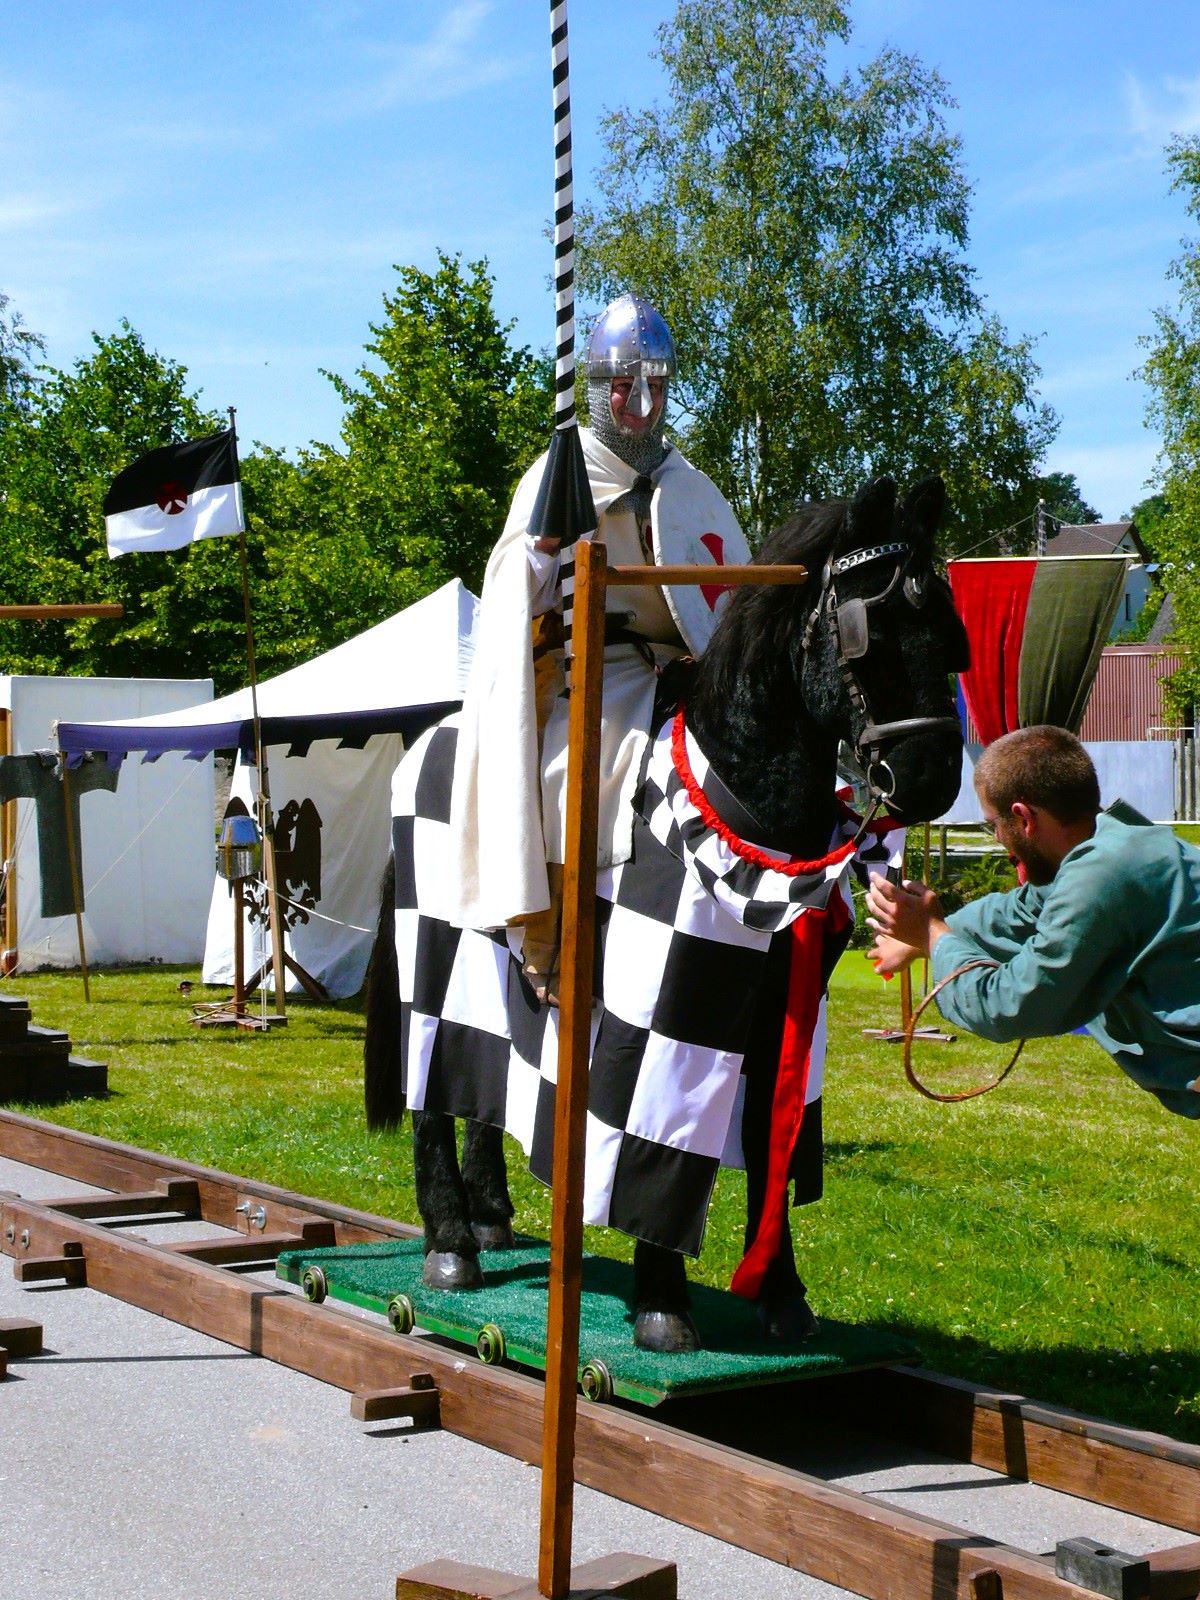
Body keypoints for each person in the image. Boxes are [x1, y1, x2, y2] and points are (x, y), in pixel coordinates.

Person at [445, 292, 748, 991]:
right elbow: (509, 586)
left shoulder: (689, 484)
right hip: (599, 666)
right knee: (564, 778)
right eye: (623, 385)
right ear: (600, 388)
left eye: (655, 386)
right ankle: (548, 947)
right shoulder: (563, 468)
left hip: (690, 672)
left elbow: (725, 595)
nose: (640, 402)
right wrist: (543, 550)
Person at [865, 724, 1200, 1118]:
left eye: (993, 825)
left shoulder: (1103, 876)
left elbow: (1007, 1004)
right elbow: (1018, 912)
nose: (998, 838)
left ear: (1022, 817)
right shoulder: (1118, 845)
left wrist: (930, 934)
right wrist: (923, 938)